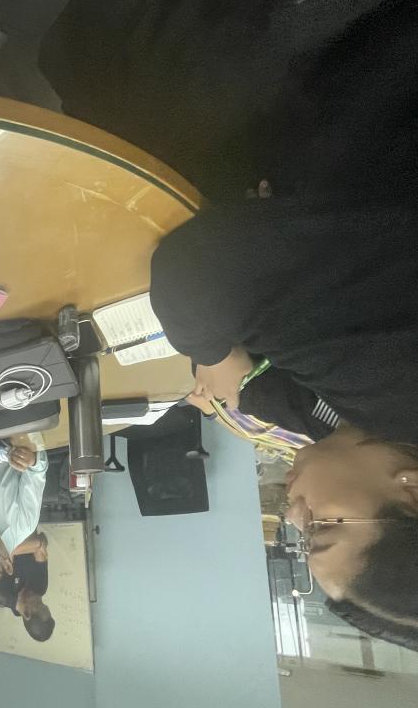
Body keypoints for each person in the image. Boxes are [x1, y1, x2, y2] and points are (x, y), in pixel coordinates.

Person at [149, 198, 418, 649]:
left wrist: (227, 366)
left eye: (302, 534)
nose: (293, 513)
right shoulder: (394, 382)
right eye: (322, 527)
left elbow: (259, 393)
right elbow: (195, 269)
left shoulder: (359, 432)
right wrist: (218, 356)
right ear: (410, 491)